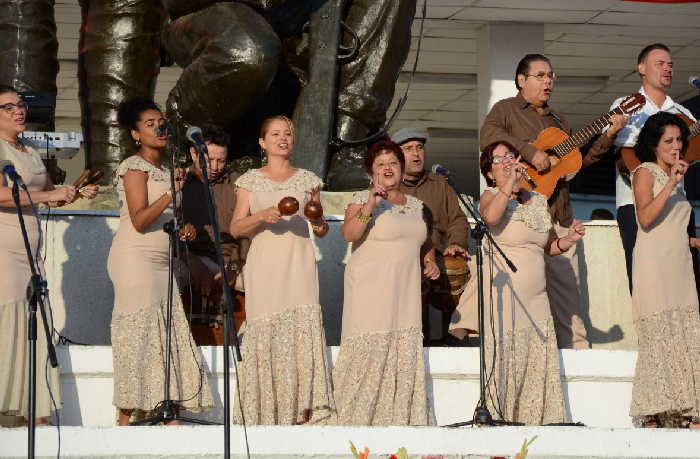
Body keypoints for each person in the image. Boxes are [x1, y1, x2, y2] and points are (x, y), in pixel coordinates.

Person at [480, 53, 628, 349]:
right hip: (517, 224)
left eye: (551, 76)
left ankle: (574, 373)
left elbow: (578, 162)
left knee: (569, 310)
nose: (548, 81)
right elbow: (489, 135)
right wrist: (530, 151)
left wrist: (610, 133)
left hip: (556, 218)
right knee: (518, 309)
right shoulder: (506, 110)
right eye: (541, 75)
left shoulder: (560, 121)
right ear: (521, 80)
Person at [450, 141, 585, 425]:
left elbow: (548, 245)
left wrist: (568, 240)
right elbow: (490, 217)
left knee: (535, 362)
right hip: (505, 301)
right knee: (506, 364)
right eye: (499, 160)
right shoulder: (488, 196)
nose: (508, 162)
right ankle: (504, 419)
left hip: (537, 300)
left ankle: (536, 421)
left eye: (511, 156)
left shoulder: (537, 200)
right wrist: (508, 184)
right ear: (489, 172)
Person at [108, 98, 213, 426]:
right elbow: (139, 219)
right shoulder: (133, 166)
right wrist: (170, 193)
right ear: (135, 133)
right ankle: (125, 418)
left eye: (162, 121)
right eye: (150, 123)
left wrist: (183, 226)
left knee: (166, 333)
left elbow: (164, 216)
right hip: (134, 259)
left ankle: (167, 411)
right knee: (139, 334)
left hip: (162, 259)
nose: (160, 127)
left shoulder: (168, 170)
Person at [0, 85, 98, 426]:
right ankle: (6, 407)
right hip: (3, 247)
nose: (18, 110)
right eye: (8, 106)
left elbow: (41, 196)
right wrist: (47, 195)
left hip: (31, 247)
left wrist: (68, 194)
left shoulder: (27, 149)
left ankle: (31, 407)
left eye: (20, 105)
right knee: (9, 321)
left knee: (34, 321)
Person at [229, 115, 335, 425]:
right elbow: (236, 227)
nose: (283, 138)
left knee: (301, 330)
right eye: (275, 134)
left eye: (287, 133)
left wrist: (318, 222)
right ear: (263, 142)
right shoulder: (249, 180)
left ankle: (303, 412)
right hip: (264, 268)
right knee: (266, 333)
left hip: (299, 266)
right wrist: (262, 215)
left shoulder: (308, 180)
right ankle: (265, 412)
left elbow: (323, 228)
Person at [333, 139, 439, 425]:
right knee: (368, 357)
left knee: (401, 355)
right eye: (380, 164)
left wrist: (429, 261)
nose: (387, 168)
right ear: (371, 173)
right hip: (370, 294)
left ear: (402, 170)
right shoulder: (361, 199)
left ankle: (399, 420)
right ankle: (355, 421)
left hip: (405, 298)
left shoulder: (418, 207)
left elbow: (424, 242)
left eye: (393, 162)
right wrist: (371, 203)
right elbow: (350, 234)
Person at [629, 112, 700, 428]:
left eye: (679, 140)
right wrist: (671, 181)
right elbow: (645, 218)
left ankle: (685, 411)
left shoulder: (677, 180)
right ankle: (655, 413)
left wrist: (695, 241)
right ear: (654, 144)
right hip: (654, 265)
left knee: (686, 333)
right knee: (661, 335)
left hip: (679, 267)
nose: (676, 146)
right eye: (668, 141)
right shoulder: (646, 172)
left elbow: (674, 227)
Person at [610, 43, 697, 294]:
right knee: (644, 280)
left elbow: (690, 153)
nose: (667, 68)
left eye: (670, 64)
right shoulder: (625, 104)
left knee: (685, 279)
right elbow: (623, 149)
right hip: (635, 203)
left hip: (677, 204)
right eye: (660, 63)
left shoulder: (682, 113)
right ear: (641, 68)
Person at [392, 127, 470, 345]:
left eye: (419, 148)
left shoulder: (440, 184)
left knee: (460, 268)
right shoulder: (389, 187)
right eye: (408, 149)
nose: (416, 154)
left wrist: (455, 243)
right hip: (403, 259)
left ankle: (455, 338)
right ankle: (416, 341)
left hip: (438, 255)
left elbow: (458, 220)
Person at [179, 124, 249, 339]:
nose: (216, 166)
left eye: (221, 160)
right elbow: (166, 232)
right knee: (168, 278)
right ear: (193, 153)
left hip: (231, 260)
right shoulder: (179, 182)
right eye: (209, 160)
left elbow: (247, 233)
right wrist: (189, 258)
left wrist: (234, 265)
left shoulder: (238, 183)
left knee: (268, 279)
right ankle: (178, 341)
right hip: (190, 258)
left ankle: (248, 341)